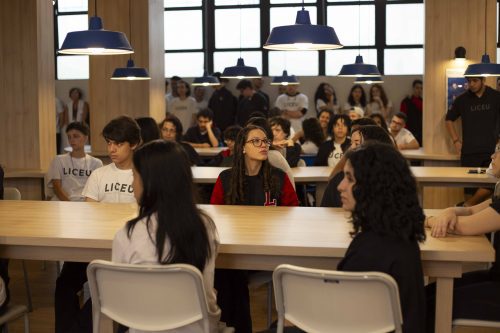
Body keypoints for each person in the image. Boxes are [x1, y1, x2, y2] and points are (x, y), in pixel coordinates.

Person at [112, 140, 223, 332]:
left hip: (143, 328)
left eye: (134, 176)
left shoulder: (127, 234)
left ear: (150, 182)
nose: (132, 184)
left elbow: (118, 297)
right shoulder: (205, 227)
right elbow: (207, 290)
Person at [55, 116, 141, 333]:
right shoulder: (99, 174)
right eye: (109, 143)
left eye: (118, 144)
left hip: (127, 252)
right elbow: (88, 215)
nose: (112, 149)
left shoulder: (143, 175)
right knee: (64, 284)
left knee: (107, 292)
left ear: (134, 144)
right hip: (95, 247)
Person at [210, 124, 299, 333]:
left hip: (272, 251)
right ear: (242, 147)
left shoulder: (278, 178)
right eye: (256, 141)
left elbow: (295, 215)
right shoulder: (226, 178)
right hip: (236, 251)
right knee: (228, 271)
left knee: (231, 274)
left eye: (265, 141)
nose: (263, 145)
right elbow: (214, 217)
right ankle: (235, 327)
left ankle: (235, 328)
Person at [337, 142, 426, 333]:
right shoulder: (405, 241)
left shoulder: (366, 251)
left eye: (349, 179)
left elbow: (343, 317)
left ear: (373, 186)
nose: (340, 186)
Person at [425, 147, 500, 331]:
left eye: (498, 151)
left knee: (431, 306)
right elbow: (471, 210)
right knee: (425, 295)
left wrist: (427, 220)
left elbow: (465, 226)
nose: (492, 156)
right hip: (495, 276)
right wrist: (449, 211)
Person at [446, 76, 500, 206]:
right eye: (469, 81)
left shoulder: (496, 97)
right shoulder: (462, 99)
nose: (471, 84)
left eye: (475, 81)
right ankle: (467, 210)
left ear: (483, 80)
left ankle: (468, 206)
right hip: (469, 152)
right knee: (469, 189)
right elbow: (449, 120)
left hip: (491, 152)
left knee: (492, 185)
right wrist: (456, 141)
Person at [321, 125, 394, 208]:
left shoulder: (388, 182)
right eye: (351, 143)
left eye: (357, 143)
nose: (351, 148)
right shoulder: (339, 179)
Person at [47, 122, 103, 201]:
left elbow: (96, 190)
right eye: (69, 137)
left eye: (76, 136)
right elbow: (56, 188)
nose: (72, 140)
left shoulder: (96, 163)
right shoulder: (59, 160)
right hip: (62, 203)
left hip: (86, 205)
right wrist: (70, 205)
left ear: (86, 138)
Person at [400, 79, 423, 147]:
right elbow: (402, 117)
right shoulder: (406, 102)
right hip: (409, 132)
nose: (419, 90)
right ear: (413, 88)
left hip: (421, 132)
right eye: (417, 88)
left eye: (421, 88)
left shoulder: (424, 102)